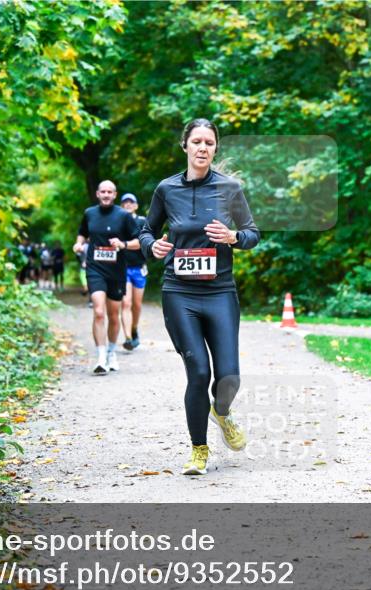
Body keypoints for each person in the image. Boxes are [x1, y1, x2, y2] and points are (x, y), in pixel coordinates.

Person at [139, 118, 260, 475]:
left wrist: (233, 238)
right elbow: (147, 231)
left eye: (209, 142)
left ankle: (221, 413)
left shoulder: (230, 188)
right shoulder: (166, 189)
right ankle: (199, 450)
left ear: (215, 148)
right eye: (197, 142)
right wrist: (154, 246)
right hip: (180, 292)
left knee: (228, 377)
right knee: (198, 372)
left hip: (220, 291)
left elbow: (253, 233)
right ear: (185, 146)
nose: (203, 148)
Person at [73, 180, 141, 375]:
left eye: (109, 192)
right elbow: (82, 234)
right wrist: (78, 244)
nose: (106, 194)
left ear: (115, 194)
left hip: (117, 271)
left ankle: (111, 352)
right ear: (97, 194)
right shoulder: (89, 213)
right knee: (99, 311)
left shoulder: (124, 216)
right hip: (95, 268)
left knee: (113, 315)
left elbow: (139, 241)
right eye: (103, 191)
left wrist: (123, 244)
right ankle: (101, 357)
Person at [119, 193, 148, 350]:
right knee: (126, 303)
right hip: (122, 268)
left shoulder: (143, 221)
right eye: (125, 203)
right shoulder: (117, 223)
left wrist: (124, 244)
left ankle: (134, 329)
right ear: (121, 206)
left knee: (136, 305)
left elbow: (142, 243)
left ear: (136, 206)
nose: (128, 205)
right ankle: (128, 338)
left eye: (131, 202)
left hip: (139, 268)